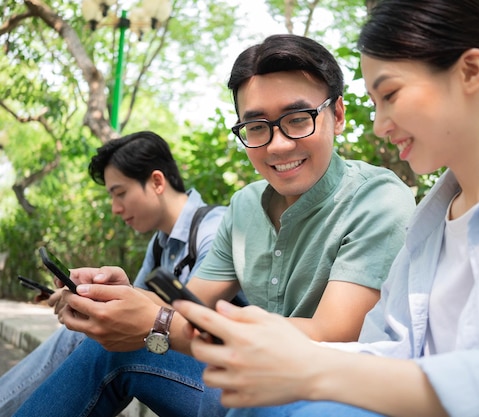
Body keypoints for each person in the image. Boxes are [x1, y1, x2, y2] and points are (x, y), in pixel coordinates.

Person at [171, 1, 479, 416]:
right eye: (373, 103)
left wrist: (312, 369)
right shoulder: (432, 219)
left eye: (390, 95)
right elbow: (387, 348)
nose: (381, 125)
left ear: (470, 71)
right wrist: (283, 350)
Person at [13, 34, 417, 417]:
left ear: (338, 114)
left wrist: (159, 323)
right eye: (256, 127)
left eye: (297, 118)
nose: (277, 144)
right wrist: (123, 298)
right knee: (107, 342)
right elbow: (189, 305)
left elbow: (332, 335)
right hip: (246, 385)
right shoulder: (243, 207)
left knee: (125, 348)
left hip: (326, 398)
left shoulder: (377, 198)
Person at [0, 131, 226, 416]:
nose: (115, 209)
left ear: (157, 181)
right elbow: (145, 306)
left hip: (224, 371)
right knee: (94, 329)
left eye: (120, 193)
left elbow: (187, 320)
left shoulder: (215, 229)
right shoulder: (160, 245)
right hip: (198, 362)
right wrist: (96, 296)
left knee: (106, 342)